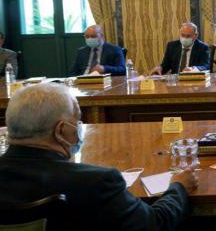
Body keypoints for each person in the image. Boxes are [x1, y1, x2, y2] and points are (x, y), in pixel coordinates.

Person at [0, 83, 197, 230]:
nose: (78, 130)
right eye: (77, 123)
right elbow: (154, 223)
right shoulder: (96, 182)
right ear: (61, 131)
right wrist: (178, 187)